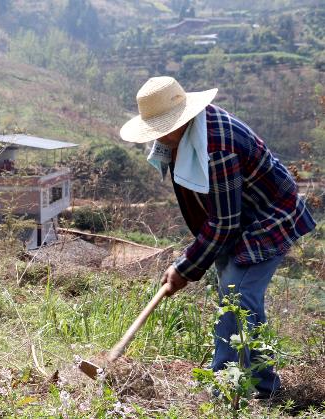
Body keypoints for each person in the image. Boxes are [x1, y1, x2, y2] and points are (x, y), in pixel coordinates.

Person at [119, 76, 316, 398]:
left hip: (269, 218)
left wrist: (185, 267)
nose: (158, 136)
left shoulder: (217, 147)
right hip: (235, 220)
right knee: (237, 296)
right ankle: (261, 382)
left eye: (162, 128)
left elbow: (225, 221)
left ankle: (227, 386)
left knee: (237, 294)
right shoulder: (177, 139)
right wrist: (194, 261)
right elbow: (217, 214)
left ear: (179, 120)